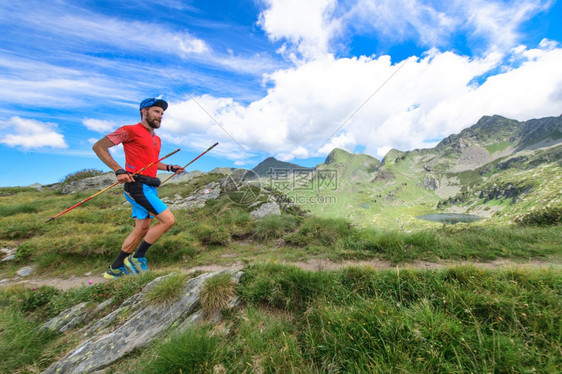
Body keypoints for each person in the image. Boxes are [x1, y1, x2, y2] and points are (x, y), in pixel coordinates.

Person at [93, 98, 185, 279]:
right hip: (137, 186)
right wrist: (118, 170)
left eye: (162, 114)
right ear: (144, 111)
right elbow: (99, 146)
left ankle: (116, 268)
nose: (160, 116)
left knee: (142, 229)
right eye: (156, 112)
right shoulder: (130, 130)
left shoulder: (156, 139)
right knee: (168, 221)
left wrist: (170, 168)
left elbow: (152, 162)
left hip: (150, 186)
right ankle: (138, 258)